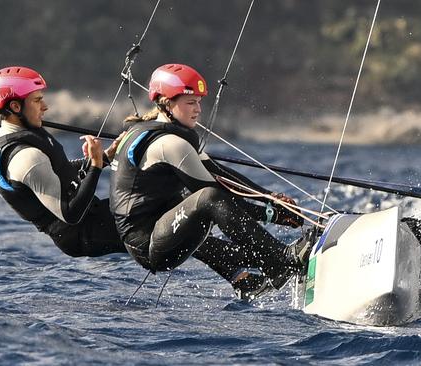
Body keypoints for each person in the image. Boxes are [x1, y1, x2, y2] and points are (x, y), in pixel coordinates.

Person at [110, 63, 310, 299]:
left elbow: (220, 173)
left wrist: (271, 197)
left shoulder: (171, 133)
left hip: (163, 226)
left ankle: (244, 278)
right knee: (208, 198)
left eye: (199, 102)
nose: (198, 109)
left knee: (196, 199)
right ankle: (279, 261)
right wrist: (270, 214)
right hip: (149, 244)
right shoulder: (171, 144)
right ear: (167, 103)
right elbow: (216, 194)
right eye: (190, 102)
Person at [0, 66, 127, 257]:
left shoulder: (10, 130)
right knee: (158, 206)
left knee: (155, 195)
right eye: (37, 100)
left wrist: (105, 157)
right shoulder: (25, 159)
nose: (45, 106)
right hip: (84, 234)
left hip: (94, 214)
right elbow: (71, 214)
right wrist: (95, 165)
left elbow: (61, 171)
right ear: (16, 107)